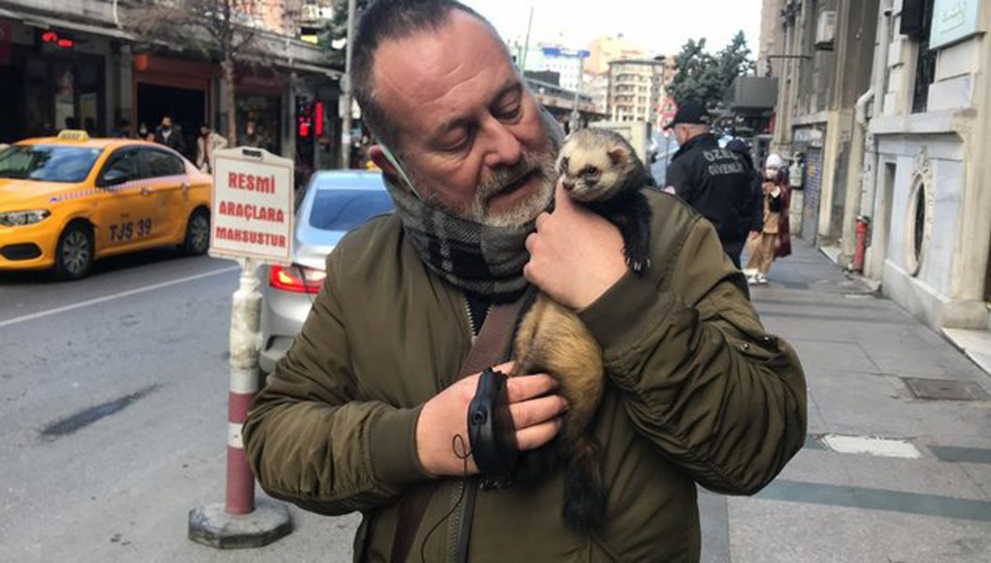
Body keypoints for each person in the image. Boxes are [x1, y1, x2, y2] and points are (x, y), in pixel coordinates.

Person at [243, 2, 807, 561]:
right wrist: (416, 441)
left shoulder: (668, 238)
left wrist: (623, 304)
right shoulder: (364, 267)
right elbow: (274, 438)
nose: (508, 148)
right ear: (395, 166)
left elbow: (760, 442)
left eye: (510, 105)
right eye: (459, 138)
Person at [664, 101, 756, 268]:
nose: (676, 138)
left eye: (675, 132)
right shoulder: (736, 159)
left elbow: (671, 215)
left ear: (684, 132)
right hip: (730, 256)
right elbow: (749, 207)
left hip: (695, 259)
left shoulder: (683, 164)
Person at [745, 154, 792, 285]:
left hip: (773, 221)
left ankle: (763, 272)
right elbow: (750, 195)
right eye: (769, 167)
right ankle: (753, 271)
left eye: (775, 168)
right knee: (754, 247)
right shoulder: (758, 178)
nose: (771, 171)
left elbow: (786, 197)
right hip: (758, 220)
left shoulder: (783, 181)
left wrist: (776, 191)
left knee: (768, 251)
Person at [726, 138, 764, 268]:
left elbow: (758, 202)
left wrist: (757, 226)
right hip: (731, 221)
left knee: (730, 256)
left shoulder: (753, 176)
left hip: (740, 222)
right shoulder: (723, 173)